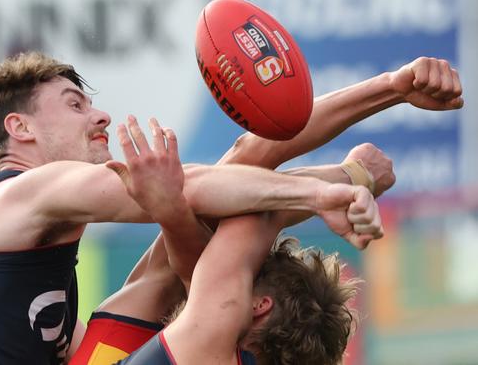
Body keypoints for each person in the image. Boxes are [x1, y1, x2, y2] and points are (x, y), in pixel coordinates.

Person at [0, 52, 385, 365]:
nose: (101, 116)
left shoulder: (13, 253)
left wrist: (343, 180)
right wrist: (332, 187)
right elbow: (202, 190)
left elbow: (220, 196)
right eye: (75, 104)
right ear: (19, 129)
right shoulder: (26, 192)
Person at [83, 118, 376, 364]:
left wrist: (354, 176)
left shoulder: (208, 333)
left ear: (258, 306)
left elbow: (258, 206)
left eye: (248, 275)